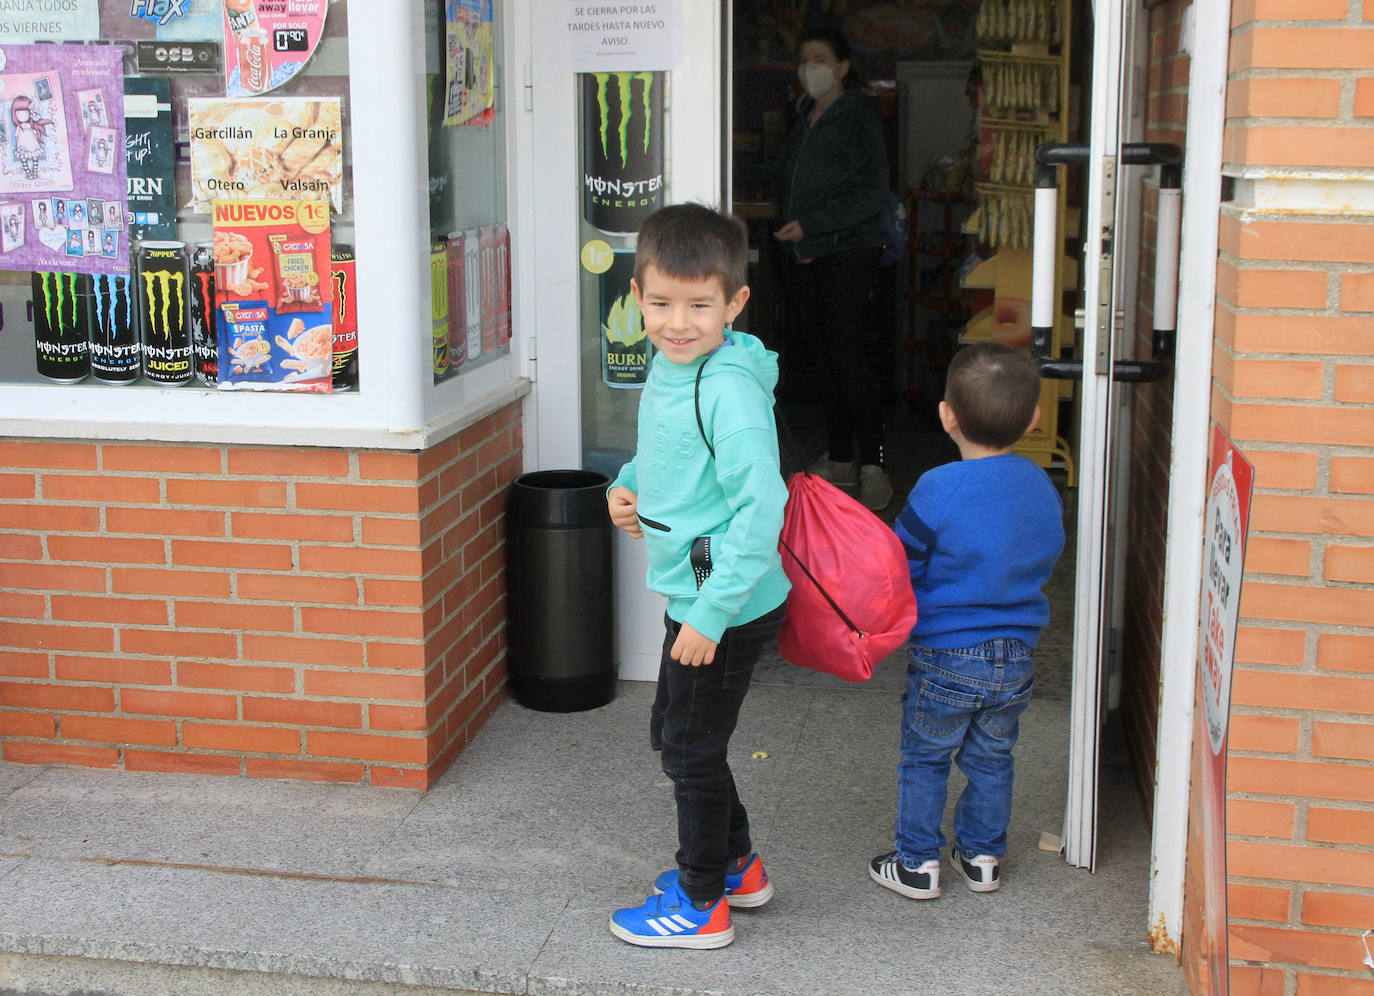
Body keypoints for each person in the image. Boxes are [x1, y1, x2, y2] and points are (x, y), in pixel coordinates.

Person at [605, 203, 790, 950]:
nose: (677, 322)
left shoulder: (729, 390)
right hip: (698, 590)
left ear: (735, 303)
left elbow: (761, 507)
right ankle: (737, 868)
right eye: (660, 303)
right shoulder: (670, 366)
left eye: (699, 306)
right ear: (639, 293)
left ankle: (701, 902)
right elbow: (667, 455)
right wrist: (628, 486)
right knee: (681, 738)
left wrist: (712, 615)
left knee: (689, 750)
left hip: (725, 603)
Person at [870, 342, 1065, 900]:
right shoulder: (1039, 485)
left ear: (946, 415)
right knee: (992, 757)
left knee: (926, 757)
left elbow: (900, 562)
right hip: (1017, 655)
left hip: (948, 654)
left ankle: (916, 863)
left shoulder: (939, 487)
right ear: (1034, 419)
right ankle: (981, 858)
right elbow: (1049, 548)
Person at [775, 24, 894, 510]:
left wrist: (813, 225)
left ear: (843, 67)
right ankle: (841, 459)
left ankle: (876, 464)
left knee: (850, 360)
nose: (811, 68)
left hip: (847, 252)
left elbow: (871, 194)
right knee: (825, 360)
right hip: (809, 255)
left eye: (821, 59)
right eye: (806, 59)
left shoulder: (860, 116)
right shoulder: (807, 114)